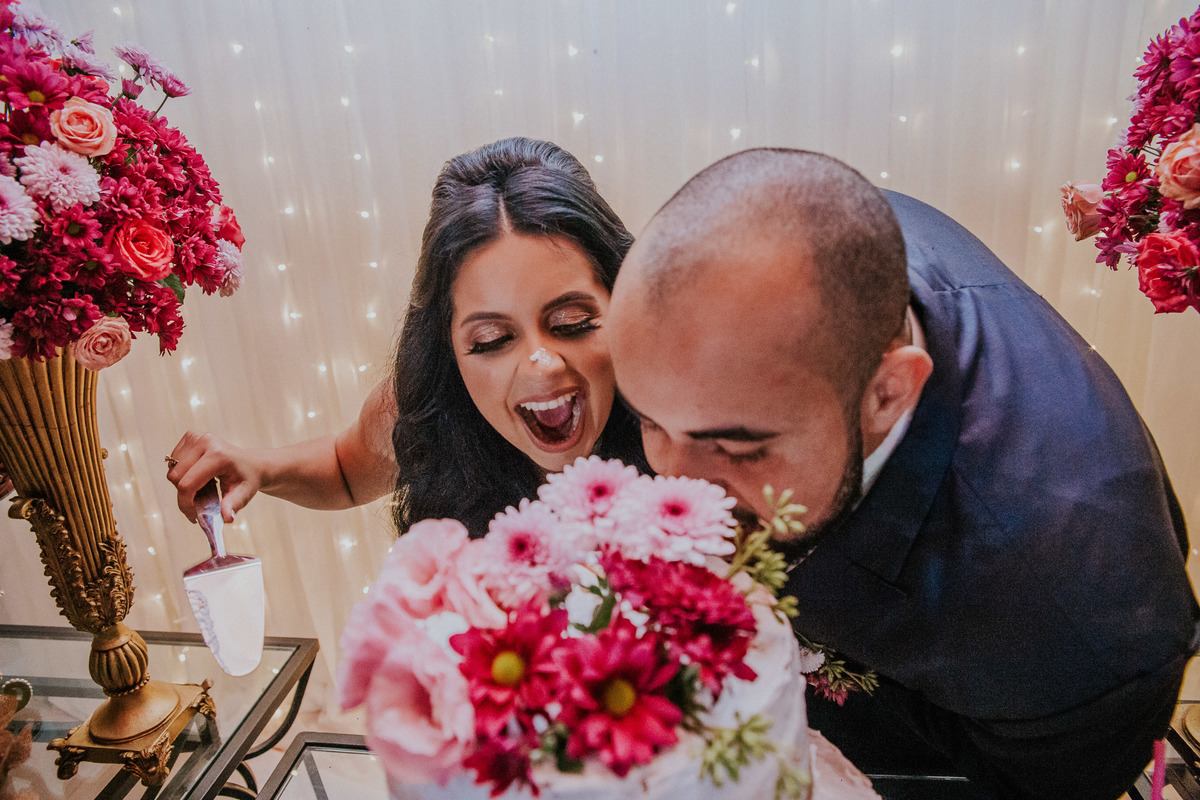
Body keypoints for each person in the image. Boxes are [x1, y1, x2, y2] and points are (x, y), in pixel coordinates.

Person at [606, 147, 1200, 799]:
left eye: (739, 448)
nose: (678, 497)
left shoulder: (1071, 631)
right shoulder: (826, 244)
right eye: (649, 420)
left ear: (888, 392)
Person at [167, 137, 646, 536]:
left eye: (570, 324)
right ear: (448, 346)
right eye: (493, 339)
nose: (541, 361)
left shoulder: (688, 414)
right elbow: (345, 470)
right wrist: (258, 466)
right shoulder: (426, 407)